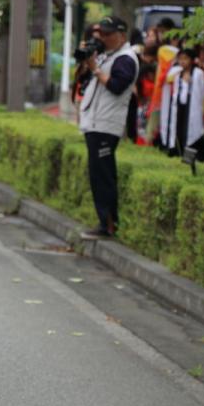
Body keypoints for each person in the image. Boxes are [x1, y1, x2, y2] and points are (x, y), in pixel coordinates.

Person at [78, 16, 139, 239]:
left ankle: (109, 225)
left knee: (102, 176)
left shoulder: (126, 59)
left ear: (121, 35)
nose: (102, 38)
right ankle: (105, 223)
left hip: (106, 125)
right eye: (100, 34)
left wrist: (96, 69)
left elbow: (116, 86)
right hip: (96, 123)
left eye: (107, 34)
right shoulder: (109, 56)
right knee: (97, 175)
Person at [161, 47, 204, 159]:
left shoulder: (198, 73)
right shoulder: (177, 73)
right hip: (179, 108)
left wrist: (189, 82)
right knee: (178, 132)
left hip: (192, 109)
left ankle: (190, 159)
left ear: (191, 60)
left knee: (192, 134)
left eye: (185, 59)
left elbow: (201, 93)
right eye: (180, 59)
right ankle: (178, 155)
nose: (182, 62)